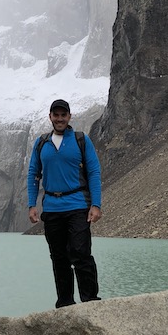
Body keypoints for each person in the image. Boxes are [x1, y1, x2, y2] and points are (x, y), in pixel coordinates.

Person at [28, 98, 102, 308]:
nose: (59, 118)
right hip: (51, 208)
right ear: (50, 117)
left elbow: (94, 172)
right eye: (56, 115)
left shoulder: (81, 140)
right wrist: (31, 204)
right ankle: (65, 303)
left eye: (63, 115)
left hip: (78, 205)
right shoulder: (41, 143)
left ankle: (90, 301)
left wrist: (96, 204)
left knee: (80, 253)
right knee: (59, 257)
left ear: (69, 117)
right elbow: (34, 174)